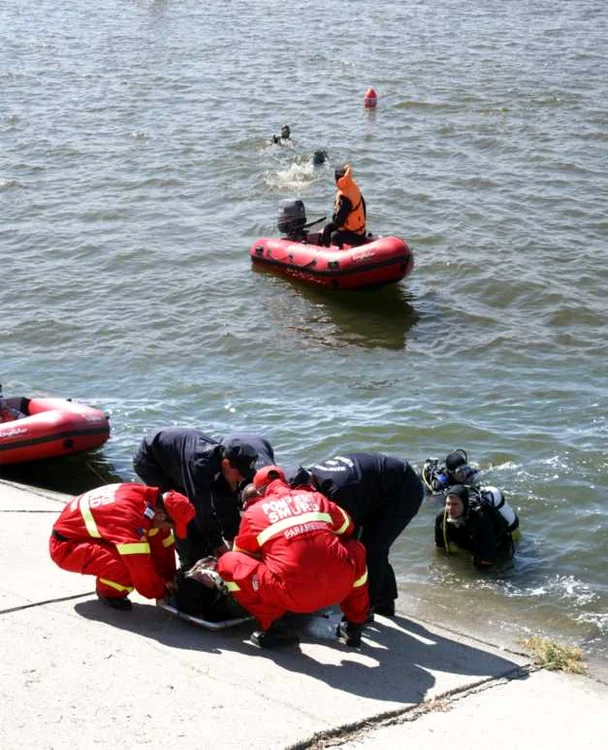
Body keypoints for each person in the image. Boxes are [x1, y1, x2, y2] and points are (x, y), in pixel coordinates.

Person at [217, 466, 370, 648]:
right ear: (286, 483)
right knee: (355, 549)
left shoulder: (254, 512)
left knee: (228, 562)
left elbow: (242, 554)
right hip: (340, 588)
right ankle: (355, 625)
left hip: (295, 598)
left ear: (259, 491)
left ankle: (276, 628)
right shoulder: (316, 498)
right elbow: (348, 528)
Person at [289, 452, 423, 618]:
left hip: (404, 490)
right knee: (372, 545)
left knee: (371, 549)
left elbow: (347, 543)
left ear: (311, 486)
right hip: (380, 485)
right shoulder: (319, 474)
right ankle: (384, 603)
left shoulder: (338, 491)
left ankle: (367, 609)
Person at [132, 428, 275, 567]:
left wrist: (232, 536)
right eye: (240, 474)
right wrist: (219, 545)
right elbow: (201, 510)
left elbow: (223, 500)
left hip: (177, 457)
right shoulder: (200, 467)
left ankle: (206, 547)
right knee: (180, 512)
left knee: (202, 510)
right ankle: (188, 560)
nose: (242, 477)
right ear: (226, 464)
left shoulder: (224, 462)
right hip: (152, 462)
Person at [49, 483, 195, 610]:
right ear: (161, 516)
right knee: (128, 569)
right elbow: (140, 568)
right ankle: (109, 593)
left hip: (83, 535)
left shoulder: (147, 499)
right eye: (171, 526)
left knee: (157, 534)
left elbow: (163, 543)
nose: (169, 530)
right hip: (66, 547)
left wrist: (168, 577)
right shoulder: (130, 516)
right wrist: (161, 592)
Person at [434, 484, 516, 570]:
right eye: (448, 504)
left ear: (464, 504)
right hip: (469, 538)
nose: (450, 508)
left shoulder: (480, 518)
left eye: (455, 504)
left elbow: (487, 561)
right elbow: (439, 547)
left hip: (497, 545)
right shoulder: (442, 517)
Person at [321, 163, 368, 248]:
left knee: (334, 236)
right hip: (359, 229)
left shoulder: (345, 197)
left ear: (337, 180)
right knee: (328, 228)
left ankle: (335, 255)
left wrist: (334, 216)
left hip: (356, 235)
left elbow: (339, 222)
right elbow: (363, 205)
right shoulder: (352, 187)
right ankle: (325, 248)